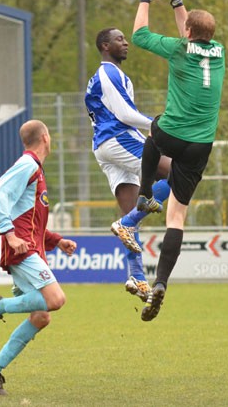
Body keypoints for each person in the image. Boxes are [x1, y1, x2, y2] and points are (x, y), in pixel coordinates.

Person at [122, 0, 225, 321]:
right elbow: (193, 30)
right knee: (176, 217)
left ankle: (146, 192)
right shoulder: (219, 51)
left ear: (188, 33)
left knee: (152, 134)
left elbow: (139, 35)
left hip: (173, 134)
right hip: (201, 146)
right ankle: (161, 281)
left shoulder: (180, 50)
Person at [0, 120, 77, 396]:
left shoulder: (35, 170)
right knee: (56, 299)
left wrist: (57, 240)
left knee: (42, 316)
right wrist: (9, 235)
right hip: (22, 251)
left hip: (30, 248)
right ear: (45, 136)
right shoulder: (28, 165)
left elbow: (30, 222)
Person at [85, 27, 171, 302]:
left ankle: (137, 277)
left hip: (105, 145)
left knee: (132, 217)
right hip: (118, 139)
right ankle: (125, 223)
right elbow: (124, 114)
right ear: (105, 46)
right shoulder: (109, 72)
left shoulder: (105, 76)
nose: (126, 43)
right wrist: (159, 126)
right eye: (119, 39)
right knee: (179, 171)